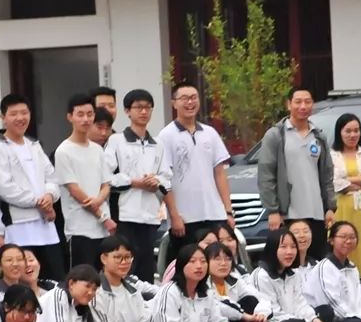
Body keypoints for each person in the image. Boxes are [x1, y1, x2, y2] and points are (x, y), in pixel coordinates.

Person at [90, 236, 197, 322]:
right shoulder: (95, 292)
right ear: (104, 259)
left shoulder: (133, 290)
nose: (124, 262)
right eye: (118, 258)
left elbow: (144, 321)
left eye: (128, 258)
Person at [157, 81, 236, 262]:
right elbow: (164, 180)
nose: (190, 102)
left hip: (215, 214)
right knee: (189, 265)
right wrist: (174, 215)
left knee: (218, 263)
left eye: (193, 97)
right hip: (185, 219)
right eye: (184, 98)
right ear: (174, 103)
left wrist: (228, 211)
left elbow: (220, 173)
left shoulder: (210, 133)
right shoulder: (166, 136)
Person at [151, 244, 261, 322]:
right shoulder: (170, 291)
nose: (199, 266)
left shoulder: (206, 292)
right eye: (192, 261)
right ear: (181, 265)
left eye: (203, 261)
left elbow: (216, 319)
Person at [257, 87, 337, 260]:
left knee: (316, 260)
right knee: (289, 261)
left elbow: (327, 175)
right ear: (289, 104)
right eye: (298, 102)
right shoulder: (276, 135)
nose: (303, 106)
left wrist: (330, 207)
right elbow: (266, 175)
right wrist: (273, 210)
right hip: (288, 214)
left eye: (307, 102)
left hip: (316, 212)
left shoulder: (318, 136)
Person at [0, 94, 65, 281]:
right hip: (17, 226)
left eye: (24, 112)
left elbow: (52, 177)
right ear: (3, 117)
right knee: (23, 281)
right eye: (13, 114)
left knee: (53, 278)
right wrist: (39, 202)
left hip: (45, 224)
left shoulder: (34, 145)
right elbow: (5, 188)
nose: (20, 118)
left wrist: (49, 196)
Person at [104, 88, 174, 282]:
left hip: (150, 215)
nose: (144, 112)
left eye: (148, 107)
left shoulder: (158, 144)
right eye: (139, 107)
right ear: (127, 111)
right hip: (125, 214)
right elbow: (106, 176)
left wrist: (156, 181)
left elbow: (167, 177)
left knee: (146, 267)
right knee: (125, 264)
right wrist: (134, 182)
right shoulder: (116, 141)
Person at [249, 229, 341, 322]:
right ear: (272, 248)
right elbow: (272, 314)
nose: (289, 252)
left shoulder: (293, 274)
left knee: (325, 311)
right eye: (283, 247)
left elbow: (299, 303)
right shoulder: (261, 275)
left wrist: (314, 320)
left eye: (293, 247)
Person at [54, 93, 116, 268]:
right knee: (83, 277)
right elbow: (75, 191)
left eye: (89, 114)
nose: (86, 119)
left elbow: (106, 184)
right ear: (70, 117)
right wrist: (103, 217)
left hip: (103, 230)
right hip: (80, 229)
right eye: (80, 114)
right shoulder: (63, 151)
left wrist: (99, 201)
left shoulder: (97, 149)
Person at [204, 242, 283, 322]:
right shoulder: (203, 284)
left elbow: (260, 297)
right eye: (217, 259)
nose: (223, 263)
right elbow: (221, 306)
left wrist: (261, 313)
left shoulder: (235, 280)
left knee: (250, 300)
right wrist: (245, 316)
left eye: (228, 259)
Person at [330, 113, 361, 274]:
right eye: (348, 131)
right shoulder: (332, 156)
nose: (353, 135)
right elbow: (334, 181)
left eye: (356, 130)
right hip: (342, 207)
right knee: (344, 241)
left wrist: (348, 180)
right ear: (339, 132)